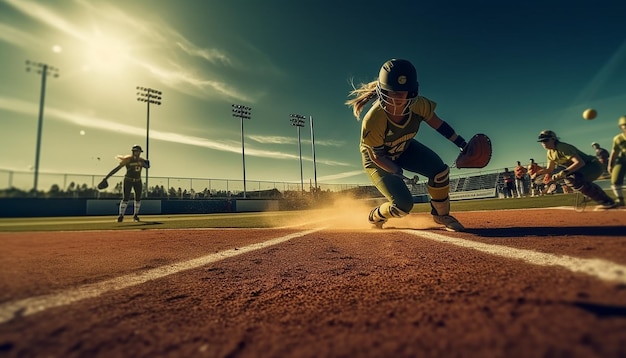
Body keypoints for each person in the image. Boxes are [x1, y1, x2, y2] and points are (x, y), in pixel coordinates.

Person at [345, 58, 468, 231]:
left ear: (412, 92)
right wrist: (396, 171)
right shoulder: (374, 119)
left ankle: (442, 215)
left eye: (402, 93)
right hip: (378, 160)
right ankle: (375, 216)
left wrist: (462, 143)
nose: (397, 100)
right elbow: (377, 156)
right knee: (402, 205)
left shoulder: (419, 105)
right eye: (392, 93)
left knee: (440, 172)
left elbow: (439, 125)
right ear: (382, 91)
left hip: (404, 148)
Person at [535, 130, 616, 210]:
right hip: (584, 169)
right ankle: (604, 200)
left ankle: (604, 200)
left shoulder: (562, 147)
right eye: (541, 141)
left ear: (553, 139)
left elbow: (580, 162)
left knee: (573, 179)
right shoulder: (550, 153)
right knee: (573, 180)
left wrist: (564, 172)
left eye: (546, 140)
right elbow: (550, 169)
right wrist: (538, 173)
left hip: (593, 166)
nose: (543, 143)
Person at [102, 144, 151, 222]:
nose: (138, 153)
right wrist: (107, 177)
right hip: (128, 180)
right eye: (136, 151)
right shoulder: (128, 160)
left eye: (139, 152)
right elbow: (117, 169)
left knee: (138, 198)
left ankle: (135, 215)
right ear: (133, 152)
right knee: (126, 198)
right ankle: (121, 215)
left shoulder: (141, 160)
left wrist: (147, 163)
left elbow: (147, 166)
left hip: (138, 180)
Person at [607, 116, 626, 206]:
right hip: (622, 160)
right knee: (615, 179)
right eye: (624, 125)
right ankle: (620, 199)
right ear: (620, 127)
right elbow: (614, 152)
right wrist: (610, 165)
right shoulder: (618, 138)